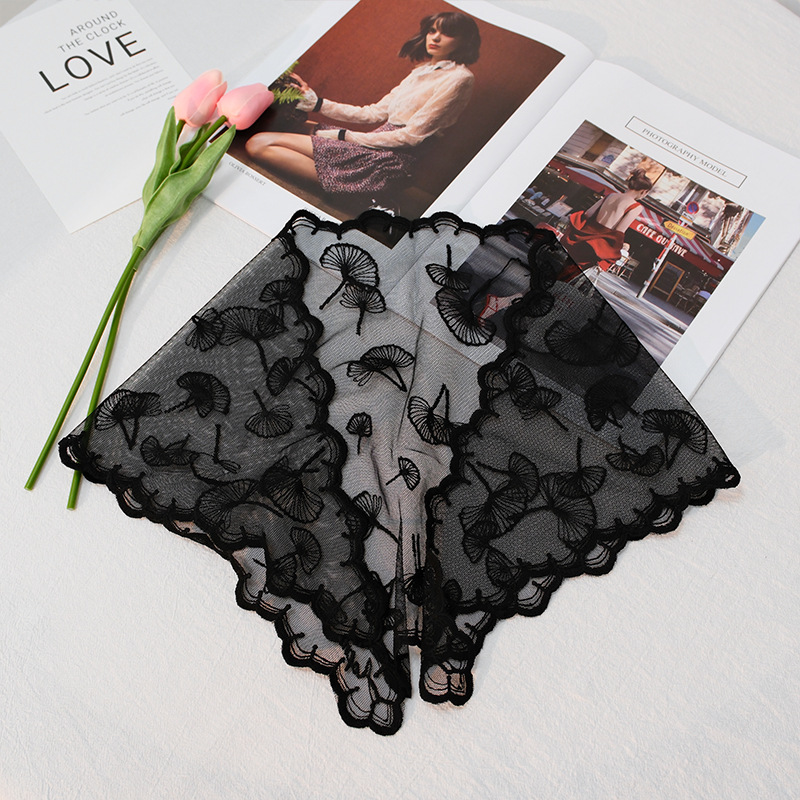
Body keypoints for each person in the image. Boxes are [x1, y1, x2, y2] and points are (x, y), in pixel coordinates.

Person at [245, 11, 481, 199]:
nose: (435, 38)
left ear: (464, 41)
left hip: (389, 159)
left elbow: (410, 137)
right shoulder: (421, 71)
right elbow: (372, 113)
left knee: (257, 143)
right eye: (432, 30)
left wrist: (343, 136)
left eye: (447, 33)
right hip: (374, 141)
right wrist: (317, 103)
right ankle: (336, 176)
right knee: (300, 125)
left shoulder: (460, 78)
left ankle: (349, 188)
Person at [560, 168, 653, 280]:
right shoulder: (636, 206)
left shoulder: (611, 196)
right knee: (572, 275)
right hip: (598, 244)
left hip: (584, 235)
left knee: (563, 266)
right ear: (644, 191)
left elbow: (588, 213)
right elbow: (620, 230)